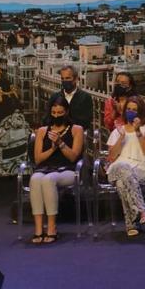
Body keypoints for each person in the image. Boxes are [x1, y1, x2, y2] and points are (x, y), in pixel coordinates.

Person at [29, 95, 84, 244]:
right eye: (54, 113)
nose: (56, 116)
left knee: (49, 180)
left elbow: (73, 157)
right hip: (45, 168)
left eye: (60, 113)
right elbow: (38, 159)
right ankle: (39, 229)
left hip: (68, 170)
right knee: (34, 179)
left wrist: (60, 143)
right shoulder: (42, 131)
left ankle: (52, 228)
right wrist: (52, 149)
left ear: (66, 112)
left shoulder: (76, 130)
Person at [106, 96, 145, 237]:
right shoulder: (117, 131)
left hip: (141, 168)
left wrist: (138, 131)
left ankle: (131, 225)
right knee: (123, 165)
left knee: (122, 184)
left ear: (140, 112)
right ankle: (141, 209)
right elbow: (111, 157)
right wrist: (122, 137)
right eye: (128, 109)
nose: (131, 112)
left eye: (135, 110)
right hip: (117, 169)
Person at [48, 65, 94, 132]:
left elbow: (86, 122)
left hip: (77, 136)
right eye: (62, 79)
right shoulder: (54, 97)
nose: (64, 81)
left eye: (67, 78)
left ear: (75, 79)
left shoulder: (85, 97)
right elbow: (47, 118)